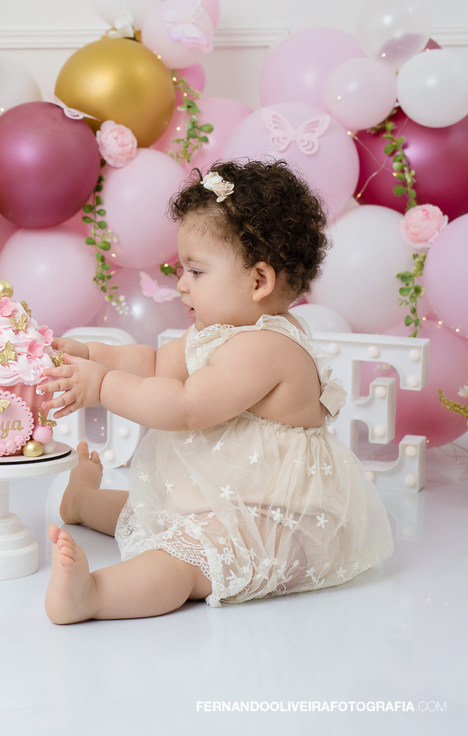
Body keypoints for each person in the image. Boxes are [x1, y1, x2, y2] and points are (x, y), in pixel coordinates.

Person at [39, 160, 393, 625]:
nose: (180, 283)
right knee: (149, 513)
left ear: (258, 281)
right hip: (223, 495)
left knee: (191, 557)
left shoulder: (266, 348)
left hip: (279, 516)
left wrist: (103, 385)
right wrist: (94, 354)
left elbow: (187, 408)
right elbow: (156, 365)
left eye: (196, 271)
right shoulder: (217, 329)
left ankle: (94, 595)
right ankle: (82, 502)